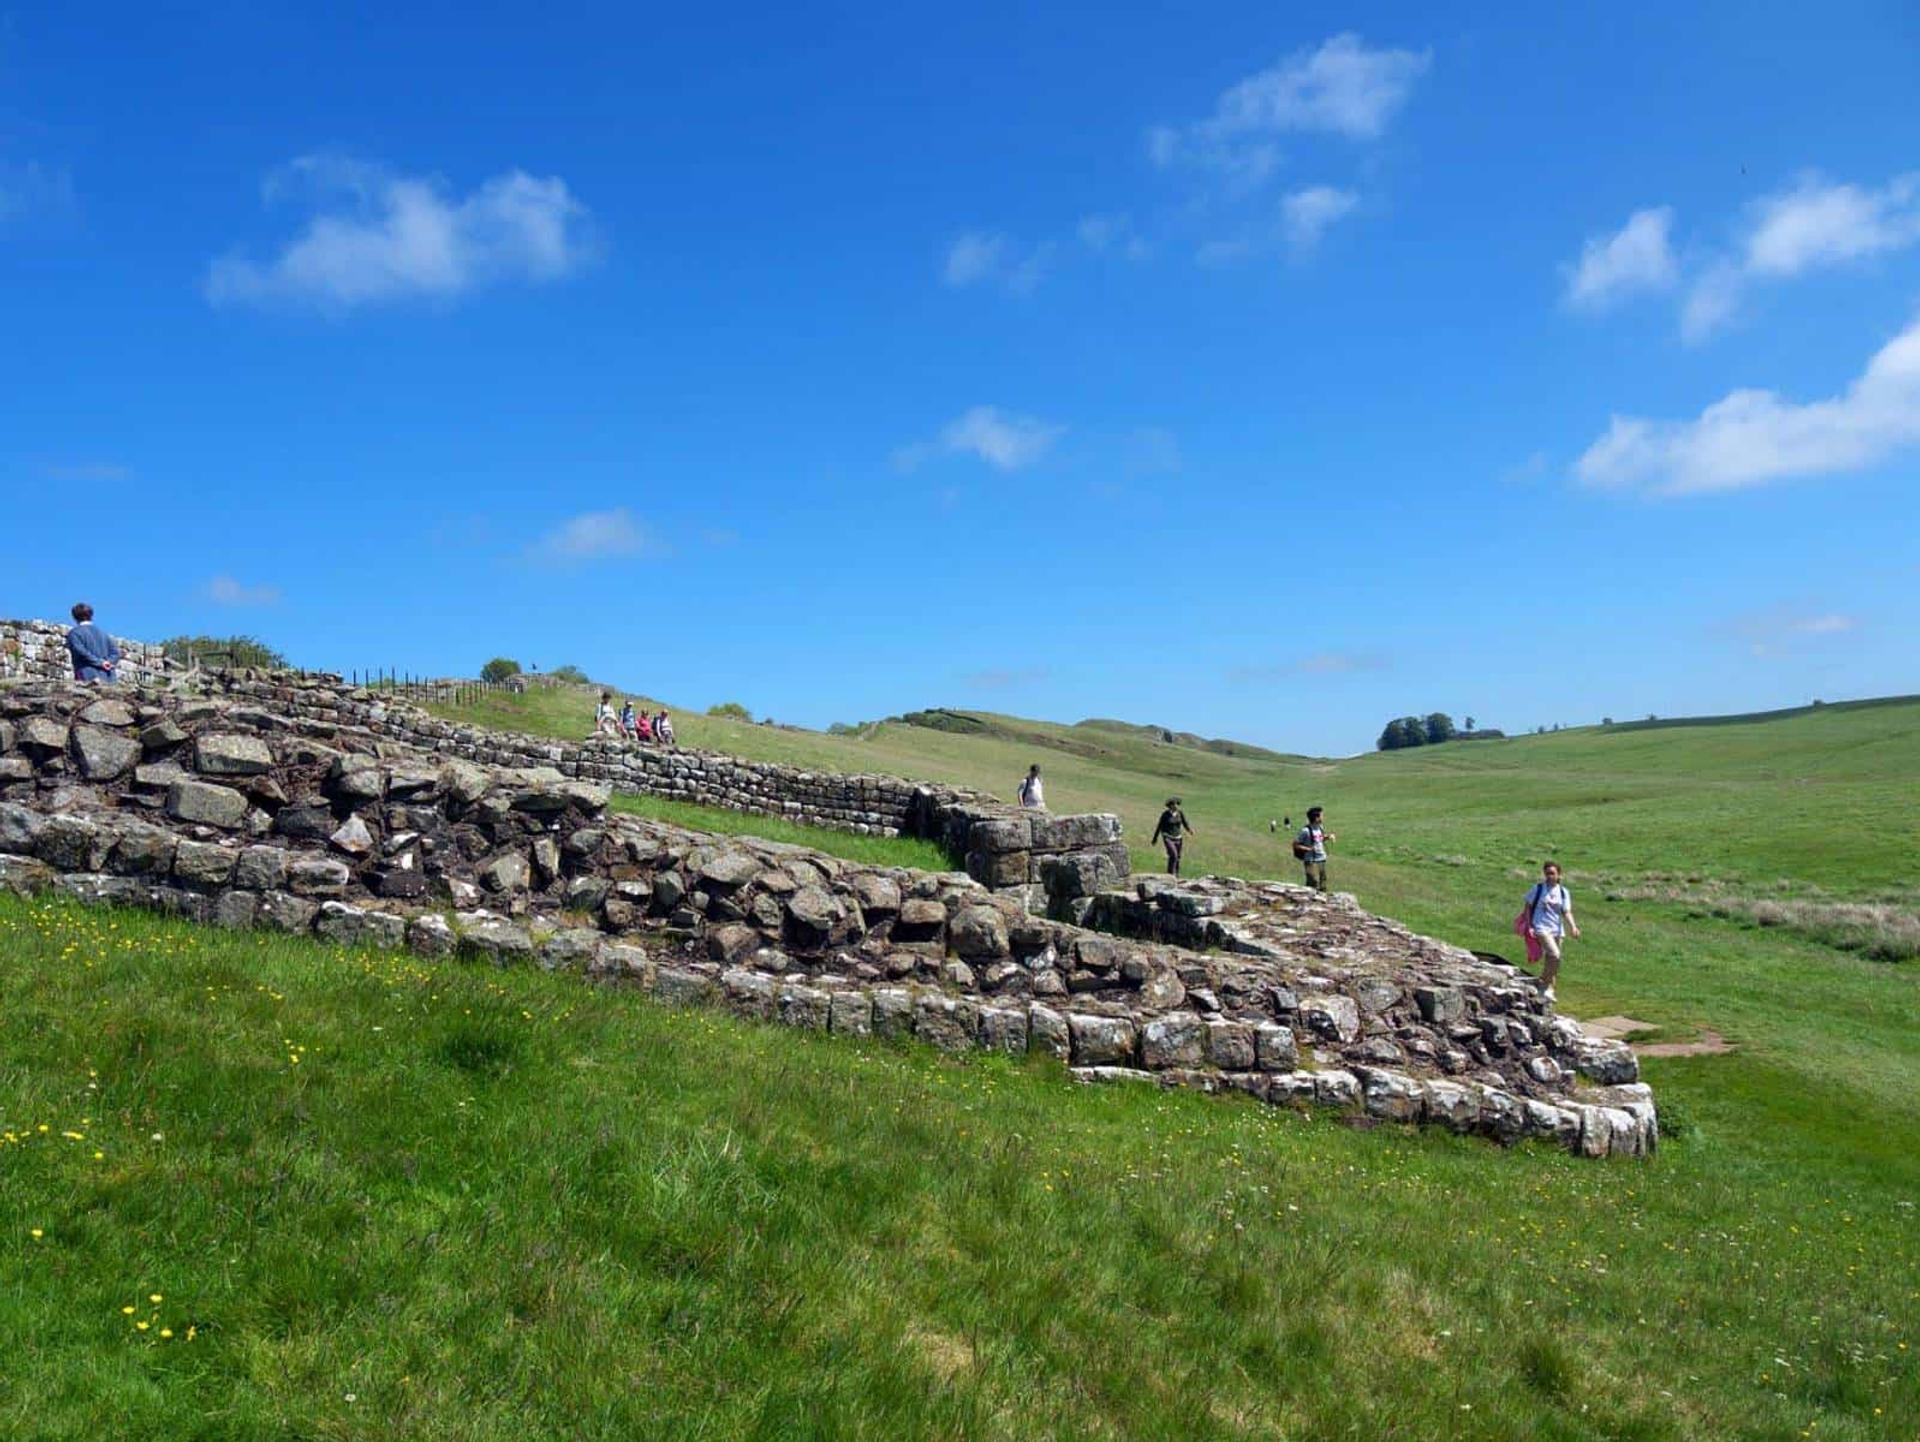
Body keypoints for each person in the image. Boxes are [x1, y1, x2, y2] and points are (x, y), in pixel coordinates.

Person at [1518, 861, 1579, 993]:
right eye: (1547, 873)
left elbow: (1566, 911)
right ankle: (1543, 982)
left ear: (1559, 875)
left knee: (1554, 962)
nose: (1549, 876)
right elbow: (1527, 907)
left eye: (1552, 873)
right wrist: (1530, 925)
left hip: (1557, 930)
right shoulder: (1538, 889)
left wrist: (1573, 927)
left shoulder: (1563, 892)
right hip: (1541, 927)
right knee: (1555, 955)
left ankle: (1548, 989)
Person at [65, 603, 121, 683]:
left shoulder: (75, 633)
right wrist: (108, 662)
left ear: (74, 617)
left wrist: (100, 663)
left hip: (87, 675)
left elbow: (81, 652)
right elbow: (116, 653)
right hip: (109, 677)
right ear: (91, 616)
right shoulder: (104, 634)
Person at [1293, 806, 1335, 891]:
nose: (1323, 817)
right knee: (1312, 882)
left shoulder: (1320, 827)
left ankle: (1323, 900)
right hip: (1310, 860)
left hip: (1321, 859)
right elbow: (1295, 844)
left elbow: (1319, 839)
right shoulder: (1305, 831)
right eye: (1321, 815)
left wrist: (1328, 837)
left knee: (1323, 882)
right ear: (1316, 818)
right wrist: (1307, 849)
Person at [1150, 797, 1194, 877]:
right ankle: (1170, 875)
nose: (1176, 806)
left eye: (1177, 804)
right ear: (1170, 806)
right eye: (1173, 804)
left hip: (1178, 838)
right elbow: (1159, 826)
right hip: (1168, 837)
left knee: (1178, 857)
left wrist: (1189, 830)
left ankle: (1176, 874)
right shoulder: (1165, 815)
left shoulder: (1180, 813)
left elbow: (1184, 822)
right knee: (1173, 855)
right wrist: (1155, 839)